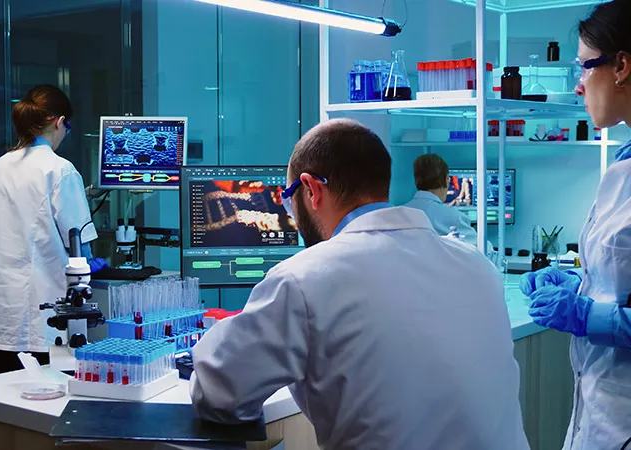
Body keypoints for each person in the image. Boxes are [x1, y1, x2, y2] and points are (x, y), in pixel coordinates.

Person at [189, 119, 529, 450]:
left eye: (289, 198)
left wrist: (214, 337)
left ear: (311, 189)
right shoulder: (477, 266)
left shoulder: (304, 279)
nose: (291, 213)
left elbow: (218, 392)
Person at [520, 2, 631, 448]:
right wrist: (581, 283)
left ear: (622, 65)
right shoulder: (623, 163)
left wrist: (586, 315)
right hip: (601, 410)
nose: (580, 86)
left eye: (584, 68)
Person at [0, 84, 107, 374]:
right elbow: (79, 246)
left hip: (0, 318)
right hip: (48, 321)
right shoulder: (59, 169)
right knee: (54, 397)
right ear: (59, 122)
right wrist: (94, 264)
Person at [404, 153, 477, 245]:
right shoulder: (454, 217)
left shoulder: (399, 214)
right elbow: (483, 249)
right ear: (447, 179)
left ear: (416, 180)